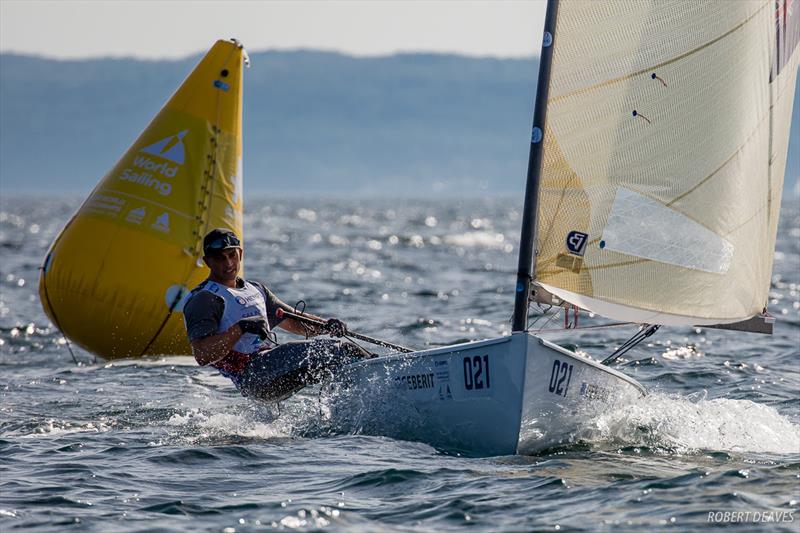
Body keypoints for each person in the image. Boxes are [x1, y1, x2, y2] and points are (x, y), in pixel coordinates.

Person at [182, 228, 369, 402]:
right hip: (253, 376)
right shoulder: (204, 299)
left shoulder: (256, 290)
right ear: (207, 262)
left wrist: (326, 325)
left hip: (274, 368)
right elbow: (202, 355)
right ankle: (378, 377)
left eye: (232, 255)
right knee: (341, 351)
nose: (229, 263)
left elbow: (293, 320)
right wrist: (240, 328)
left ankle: (355, 407)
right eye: (220, 258)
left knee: (339, 360)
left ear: (241, 254)